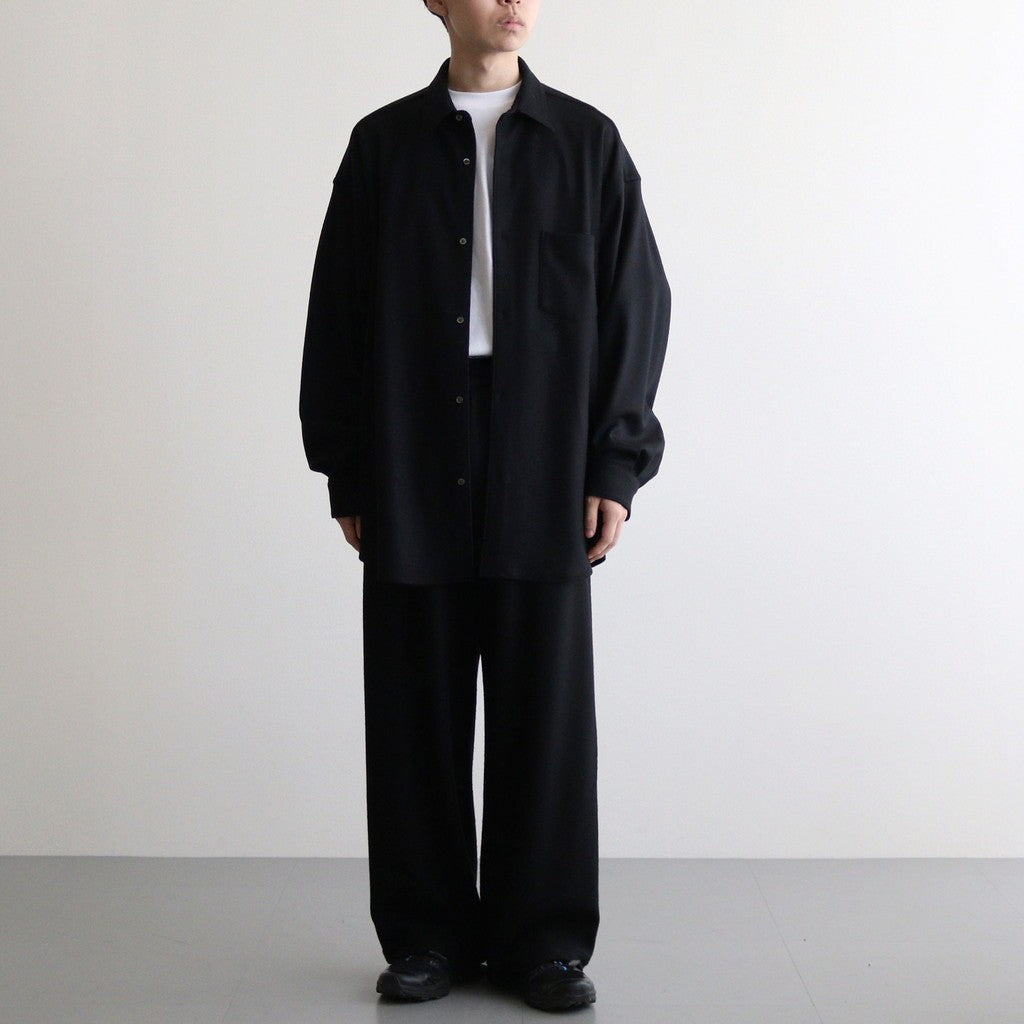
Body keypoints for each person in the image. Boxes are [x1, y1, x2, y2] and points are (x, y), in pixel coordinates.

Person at [299, 0, 670, 1012]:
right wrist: (349, 471)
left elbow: (636, 307)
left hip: (545, 451)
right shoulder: (383, 147)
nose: (514, 1)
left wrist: (614, 465)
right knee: (413, 705)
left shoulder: (587, 143)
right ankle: (426, 936)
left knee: (544, 713)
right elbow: (337, 310)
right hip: (412, 445)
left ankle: (542, 943)